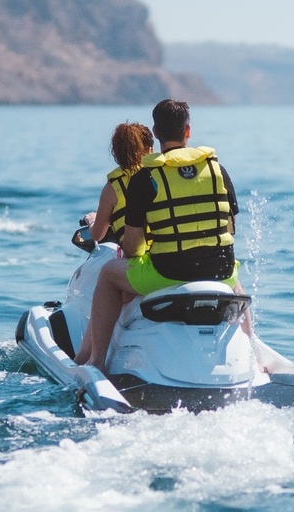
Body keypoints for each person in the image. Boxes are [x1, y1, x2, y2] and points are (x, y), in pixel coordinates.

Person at [74, 99, 252, 369]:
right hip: (220, 272)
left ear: (156, 133)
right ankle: (254, 353)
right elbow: (229, 228)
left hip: (168, 273)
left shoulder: (146, 179)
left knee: (109, 274)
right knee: (236, 279)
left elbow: (133, 249)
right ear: (188, 131)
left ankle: (96, 361)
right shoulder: (218, 170)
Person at [81, 122, 154, 244]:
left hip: (136, 259)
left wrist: (92, 221)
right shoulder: (160, 175)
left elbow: (97, 235)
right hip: (165, 256)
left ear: (116, 152)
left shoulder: (113, 188)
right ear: (149, 150)